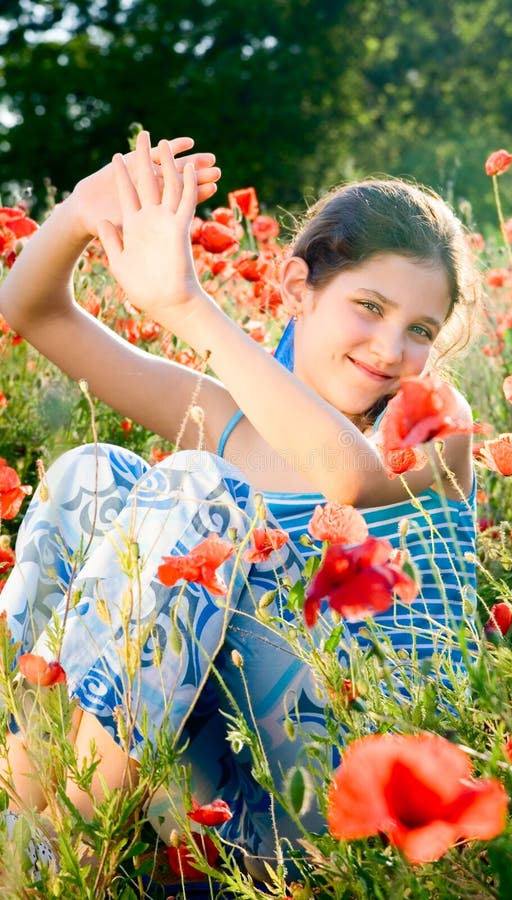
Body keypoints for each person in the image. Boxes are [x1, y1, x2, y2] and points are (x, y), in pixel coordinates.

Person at [0, 131, 479, 883]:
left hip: (368, 809)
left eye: (420, 329)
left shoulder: (433, 419)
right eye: (369, 306)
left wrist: (189, 307)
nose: (392, 347)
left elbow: (343, 476)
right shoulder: (230, 424)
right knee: (92, 473)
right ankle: (34, 851)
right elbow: (35, 313)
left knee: (199, 486)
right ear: (296, 287)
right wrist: (82, 213)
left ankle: (53, 866)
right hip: (217, 804)